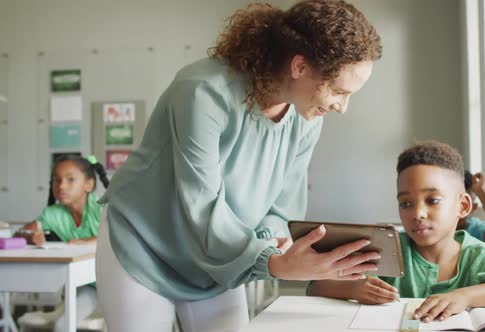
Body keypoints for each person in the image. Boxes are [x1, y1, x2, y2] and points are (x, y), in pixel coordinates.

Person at [95, 1, 383, 331]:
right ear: (300, 67)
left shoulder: (307, 118)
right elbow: (200, 206)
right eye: (337, 90)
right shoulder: (202, 91)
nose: (342, 107)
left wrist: (273, 247)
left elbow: (281, 206)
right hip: (145, 245)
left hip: (218, 257)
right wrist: (272, 263)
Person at [308, 141, 485, 322]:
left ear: (463, 206)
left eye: (432, 201)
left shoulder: (479, 255)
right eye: (406, 204)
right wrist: (352, 290)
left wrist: (464, 296)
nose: (417, 213)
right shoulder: (386, 249)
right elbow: (316, 285)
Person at [15, 154, 108, 332]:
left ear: (89, 184)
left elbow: (121, 237)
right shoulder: (53, 213)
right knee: (61, 326)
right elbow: (21, 232)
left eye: (70, 179)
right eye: (56, 180)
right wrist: (30, 236)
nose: (62, 186)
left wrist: (87, 241)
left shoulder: (102, 208)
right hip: (90, 288)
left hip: (117, 286)